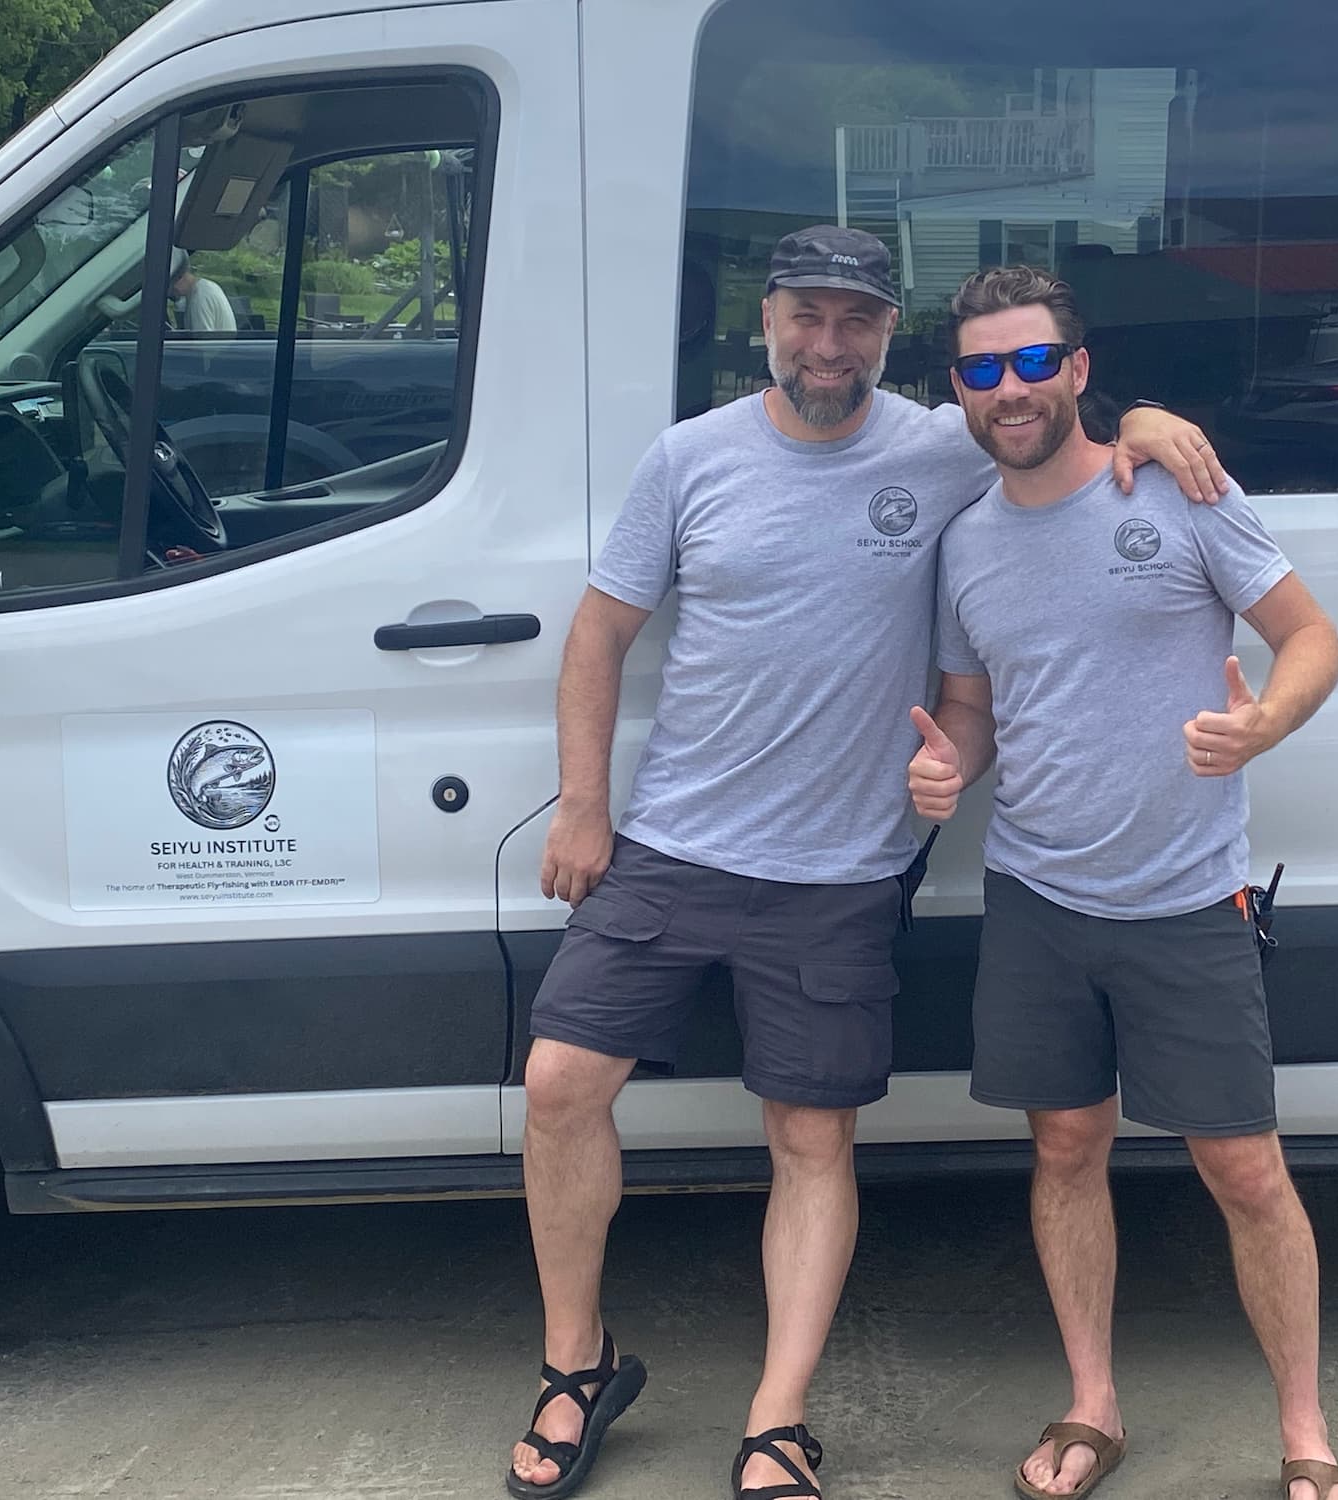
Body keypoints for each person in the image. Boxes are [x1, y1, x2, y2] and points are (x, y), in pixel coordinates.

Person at [507, 225, 1230, 1500]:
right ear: (766, 320)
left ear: (890, 338)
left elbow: (1042, 417)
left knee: (812, 1135)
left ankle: (775, 1420)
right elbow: (598, 634)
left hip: (841, 868)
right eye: (805, 317)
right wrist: (582, 806)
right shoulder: (689, 458)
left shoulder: (940, 442)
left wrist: (1149, 424)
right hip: (672, 843)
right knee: (561, 1081)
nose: (827, 345)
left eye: (856, 323)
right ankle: (578, 1367)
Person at [906, 265, 1338, 1500]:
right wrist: (947, 767)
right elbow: (971, 709)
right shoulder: (963, 547)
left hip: (1184, 899)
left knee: (1245, 1172)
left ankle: (1306, 1435)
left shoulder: (1176, 486)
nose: (1009, 389)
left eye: (1031, 362)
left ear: (1078, 371)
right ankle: (1091, 1403)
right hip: (1038, 898)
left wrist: (1262, 728)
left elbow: (1309, 637)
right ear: (958, 391)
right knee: (1063, 1150)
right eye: (982, 369)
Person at [169, 247, 237, 332]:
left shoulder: (199, 298)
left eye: (170, 289)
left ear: (177, 280)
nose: (171, 295)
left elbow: (201, 342)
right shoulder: (205, 287)